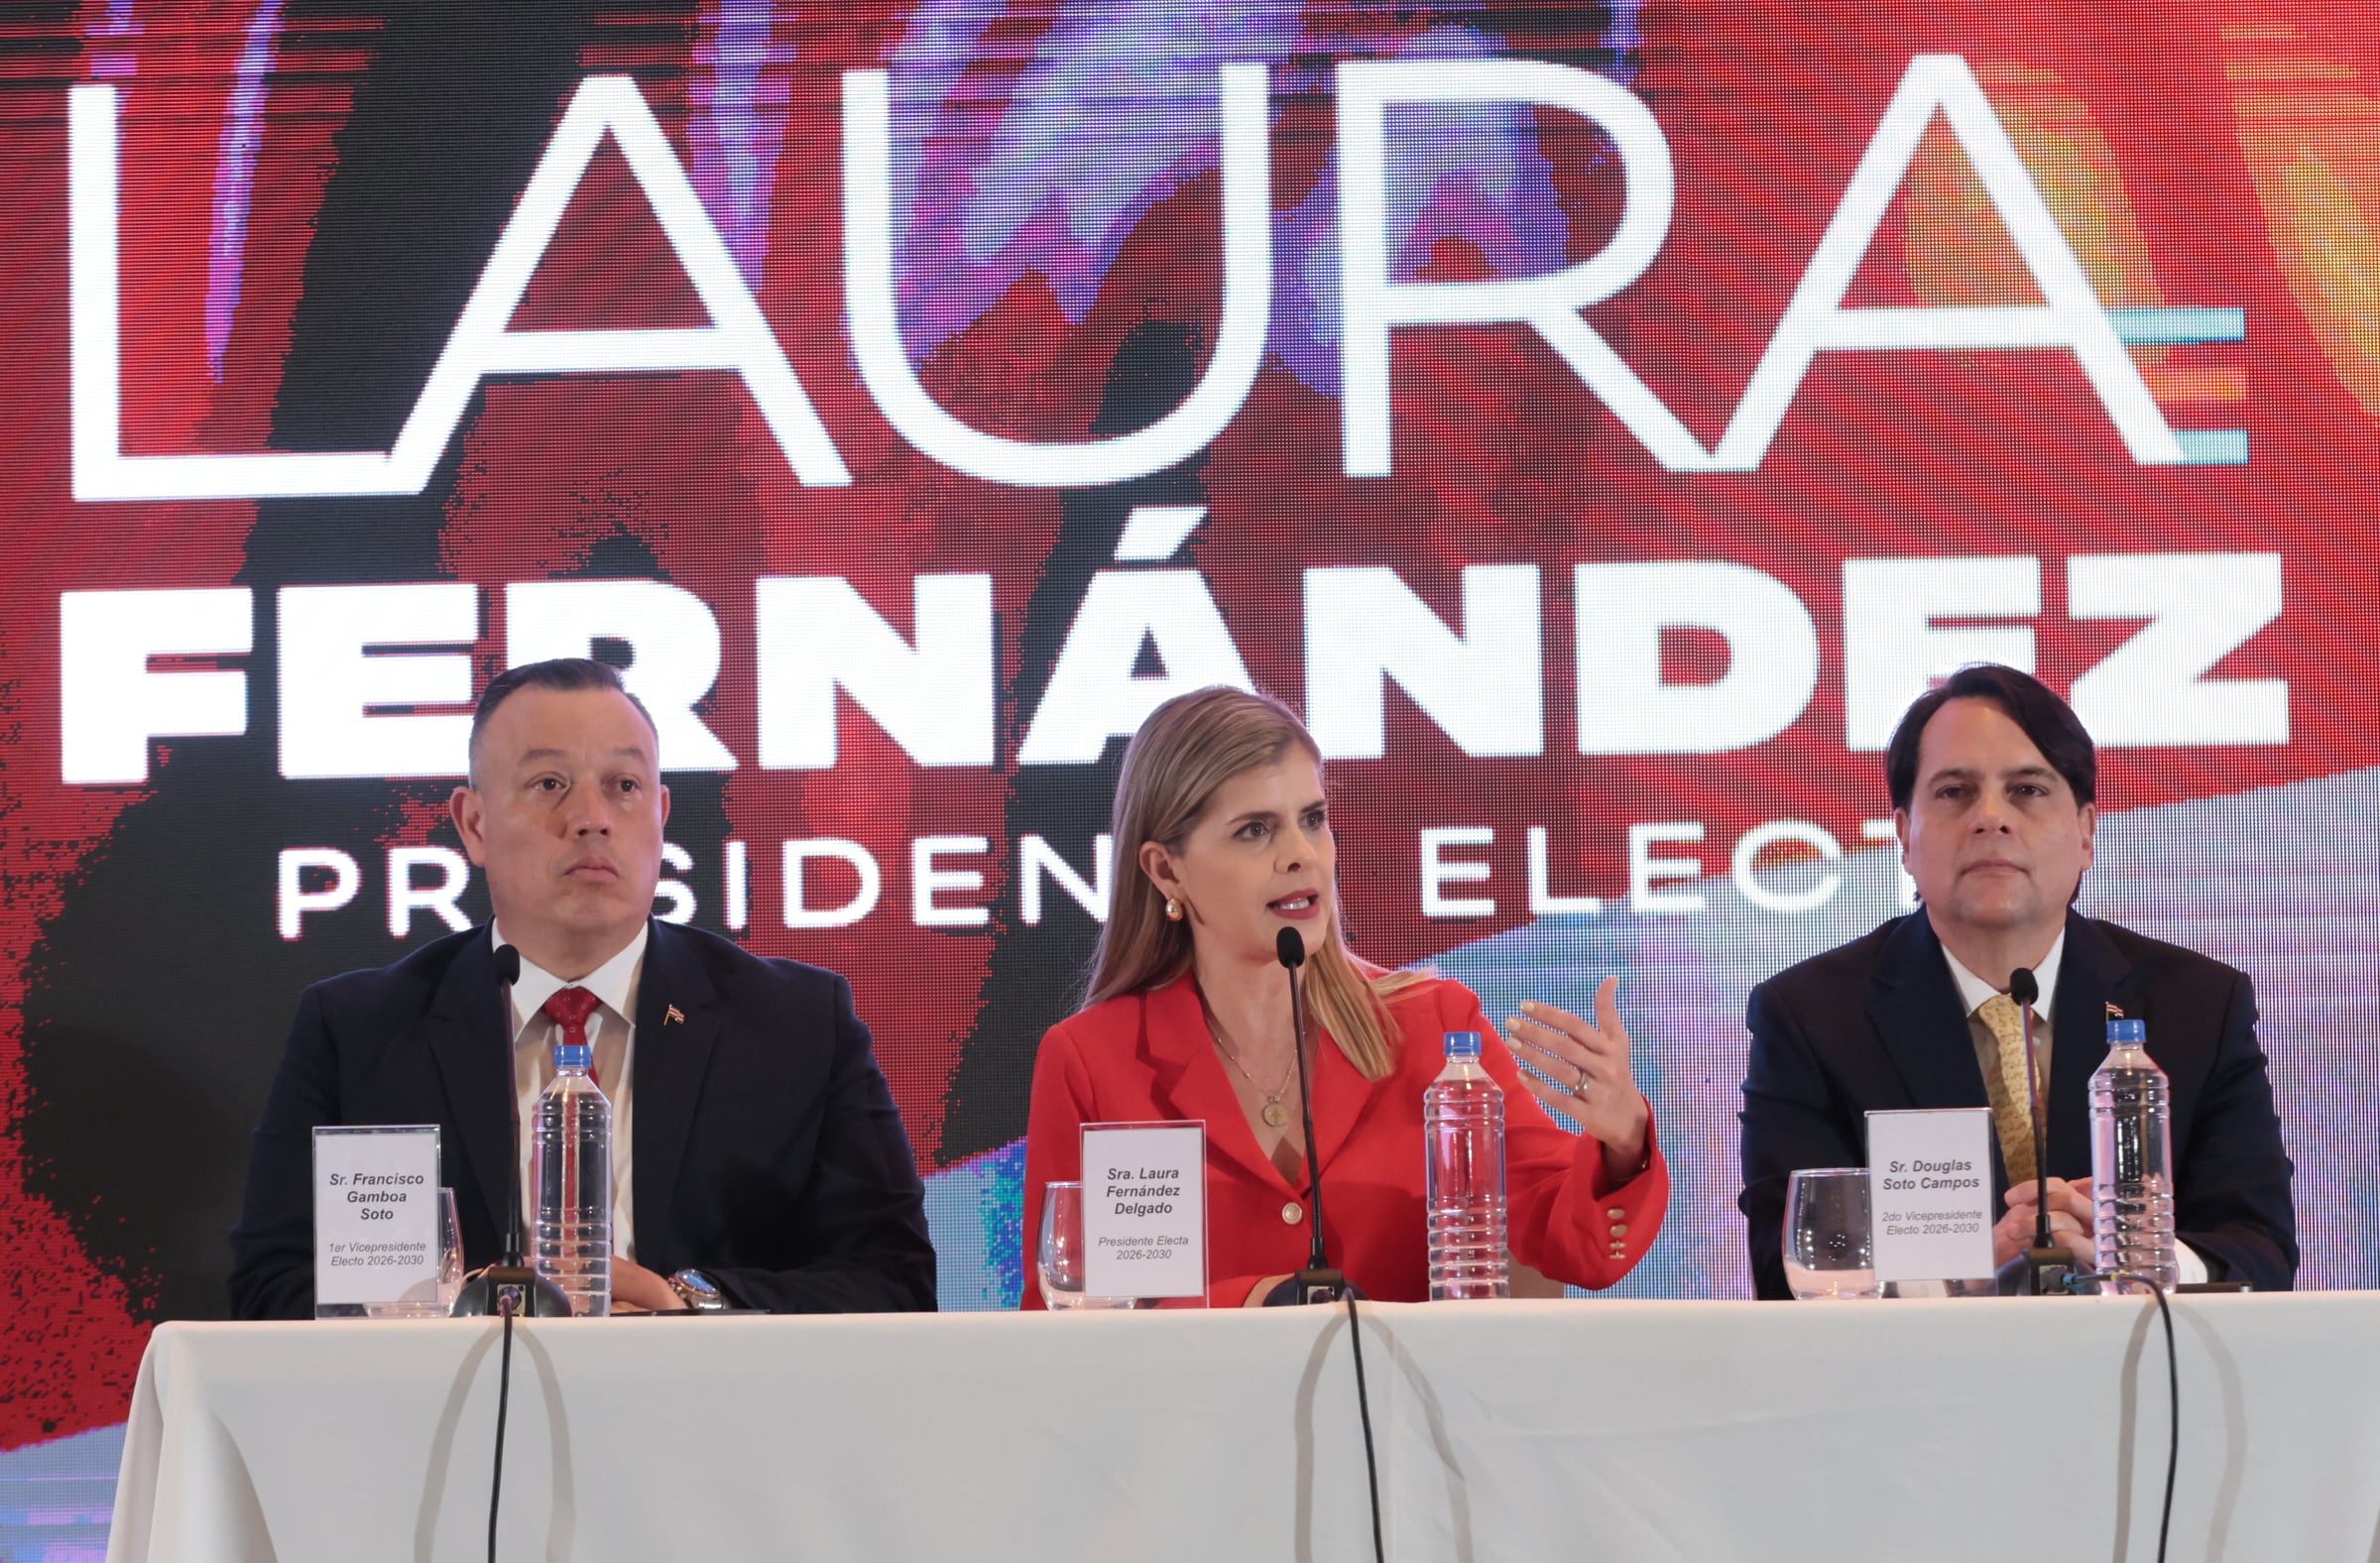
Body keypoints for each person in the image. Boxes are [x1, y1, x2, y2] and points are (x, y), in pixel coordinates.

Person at [228, 659, 935, 1317]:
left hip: (723, 1431)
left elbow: (894, 1281)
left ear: (659, 814)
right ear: (473, 824)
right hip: (447, 1432)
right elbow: (271, 1290)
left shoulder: (796, 1024)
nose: (591, 817)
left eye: (623, 787)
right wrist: (453, 1311)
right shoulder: (360, 1032)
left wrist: (685, 1301)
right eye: (549, 785)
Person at [1019, 686, 1668, 1307]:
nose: (1302, 855)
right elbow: (1074, 1312)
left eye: (1313, 820)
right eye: (1255, 831)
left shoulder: (1437, 1026)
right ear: (1167, 870)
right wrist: (1253, 1304)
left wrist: (1623, 1142)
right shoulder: (1094, 1061)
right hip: (1187, 1420)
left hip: (1401, 1418)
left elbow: (1572, 1247)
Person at [1738, 663, 2296, 1298]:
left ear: (2087, 832)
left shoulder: (2196, 1005)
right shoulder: (1811, 1016)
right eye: (1954, 792)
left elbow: (2258, 1247)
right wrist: (1969, 1267)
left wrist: (2151, 1261)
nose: (1991, 818)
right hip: (1911, 1389)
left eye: (2028, 790)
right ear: (1902, 836)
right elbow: (1788, 1274)